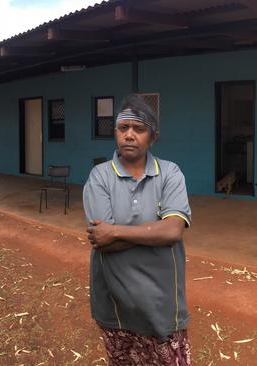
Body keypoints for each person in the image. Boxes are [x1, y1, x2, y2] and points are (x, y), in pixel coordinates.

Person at [83, 94, 192, 365]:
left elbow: (173, 231)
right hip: (115, 305)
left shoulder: (170, 173)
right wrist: (155, 230)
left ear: (152, 137)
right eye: (123, 128)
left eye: (139, 129)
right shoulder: (100, 176)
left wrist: (116, 231)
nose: (129, 135)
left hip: (162, 306)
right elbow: (102, 240)